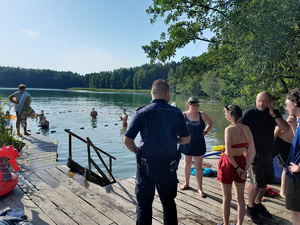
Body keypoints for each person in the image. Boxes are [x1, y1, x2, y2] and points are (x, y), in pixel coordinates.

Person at [123, 79, 190, 225]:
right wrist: (174, 140)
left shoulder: (142, 112)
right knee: (168, 204)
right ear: (167, 94)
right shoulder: (177, 113)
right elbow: (186, 139)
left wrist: (138, 153)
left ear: (152, 93)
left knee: (144, 206)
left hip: (146, 166)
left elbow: (127, 140)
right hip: (168, 166)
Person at [242, 91, 289, 224]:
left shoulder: (274, 113)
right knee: (256, 183)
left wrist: (274, 115)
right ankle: (250, 208)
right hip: (253, 153)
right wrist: (245, 150)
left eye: (264, 101)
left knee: (266, 181)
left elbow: (285, 128)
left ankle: (257, 204)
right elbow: (241, 131)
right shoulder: (249, 113)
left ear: (270, 102)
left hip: (268, 152)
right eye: (259, 101)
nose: (261, 104)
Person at [217, 104, 256, 225]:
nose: (225, 117)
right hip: (241, 161)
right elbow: (253, 152)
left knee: (227, 198)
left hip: (229, 164)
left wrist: (237, 168)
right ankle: (239, 223)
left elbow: (228, 154)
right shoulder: (247, 129)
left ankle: (226, 223)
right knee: (240, 198)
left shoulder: (229, 129)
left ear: (230, 115)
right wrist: (244, 168)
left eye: (225, 114)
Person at [179, 97, 213, 198]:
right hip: (186, 143)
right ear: (188, 105)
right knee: (187, 163)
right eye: (193, 105)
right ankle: (187, 183)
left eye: (197, 105)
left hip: (199, 142)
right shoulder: (183, 115)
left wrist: (206, 131)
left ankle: (200, 188)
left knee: (198, 165)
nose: (196, 106)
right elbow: (176, 126)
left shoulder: (202, 114)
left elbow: (210, 123)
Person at [284, 88, 300, 225]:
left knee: (296, 211)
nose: (285, 107)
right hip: (295, 174)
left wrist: (299, 167)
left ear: (295, 103)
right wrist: (294, 127)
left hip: (298, 175)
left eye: (286, 103)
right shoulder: (299, 121)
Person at [272, 123, 294, 198]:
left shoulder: (297, 119)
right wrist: (272, 141)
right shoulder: (292, 117)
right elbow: (278, 127)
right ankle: (259, 193)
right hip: (278, 141)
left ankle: (282, 191)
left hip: (287, 144)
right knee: (265, 163)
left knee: (286, 167)